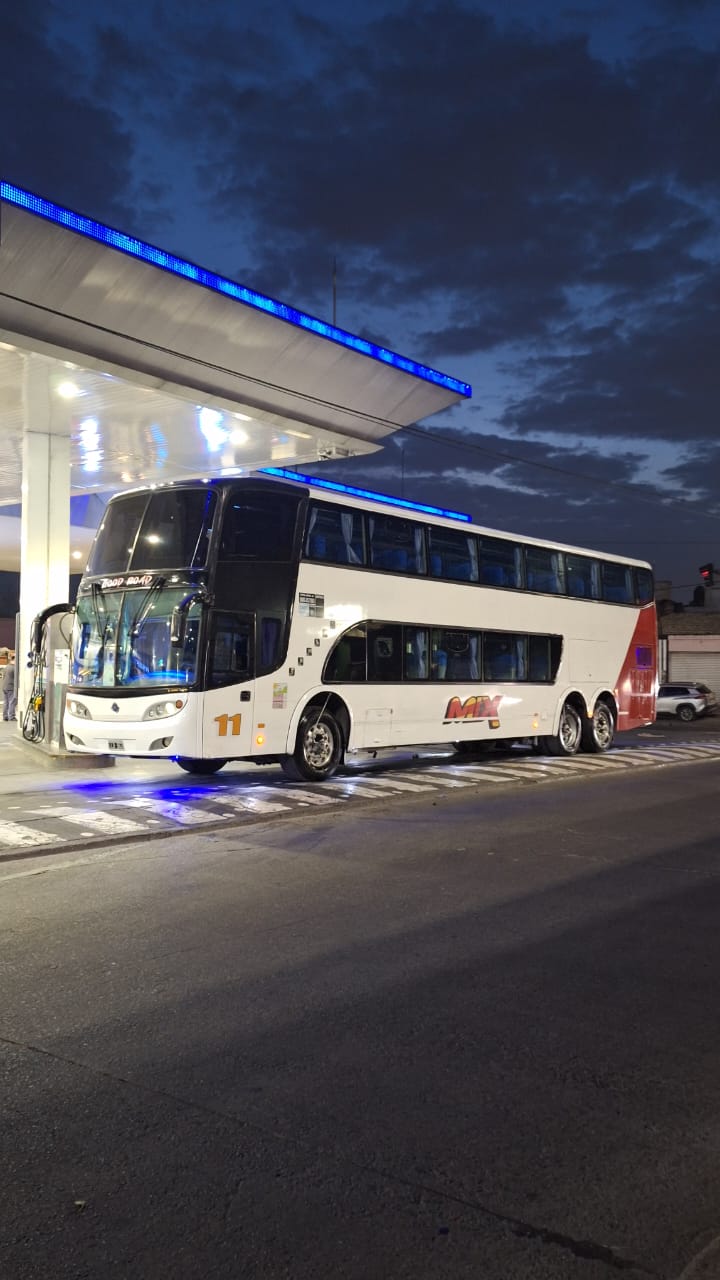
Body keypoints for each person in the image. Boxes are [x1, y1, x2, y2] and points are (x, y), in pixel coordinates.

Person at [2, 655, 17, 721]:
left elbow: (4, 676)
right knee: (12, 702)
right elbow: (17, 678)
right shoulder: (14, 668)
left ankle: (5, 716)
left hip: (4, 687)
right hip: (11, 687)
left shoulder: (6, 667)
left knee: (6, 702)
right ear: (14, 660)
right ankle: (11, 716)